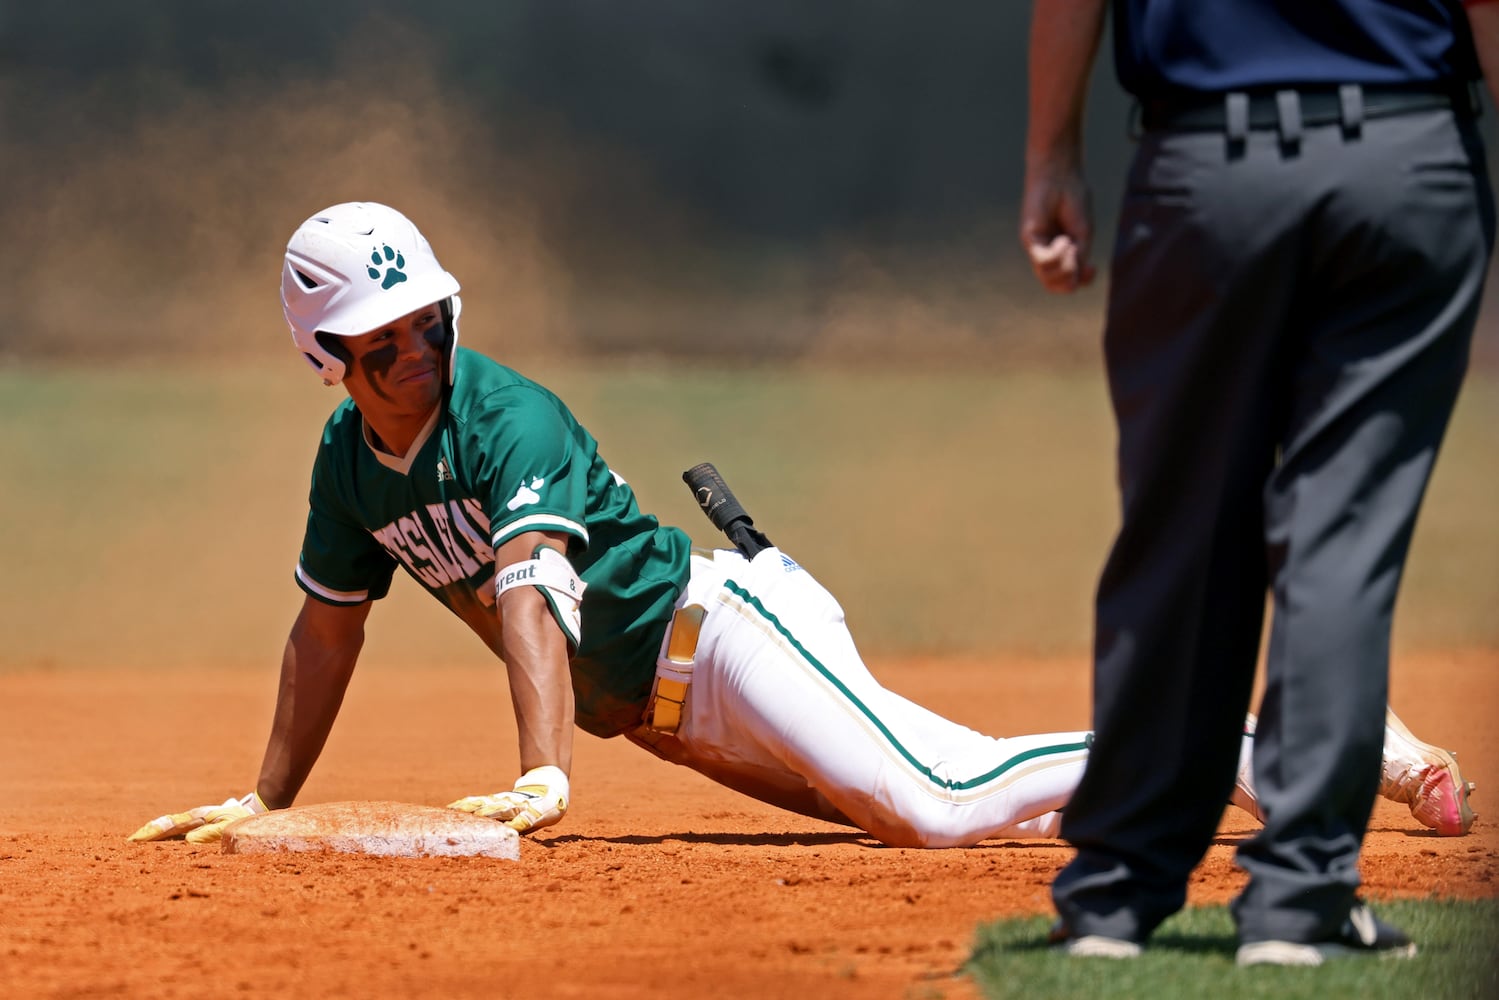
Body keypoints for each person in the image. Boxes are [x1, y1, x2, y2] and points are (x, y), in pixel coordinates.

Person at [129, 202, 1472, 855]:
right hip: (668, 714)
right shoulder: (346, 468)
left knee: (943, 809)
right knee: (959, 809)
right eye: (382, 343)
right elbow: (325, 627)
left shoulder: (506, 419)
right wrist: (265, 797)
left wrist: (543, 768)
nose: (416, 354)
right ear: (325, 356)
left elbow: (532, 587)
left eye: (428, 325)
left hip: (726, 639)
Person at [1021, 0, 1494, 966]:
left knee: (1177, 536)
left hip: (1203, 170)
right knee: (1341, 535)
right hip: (1401, 158)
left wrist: (1050, 153)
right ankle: (1299, 900)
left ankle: (1116, 894)